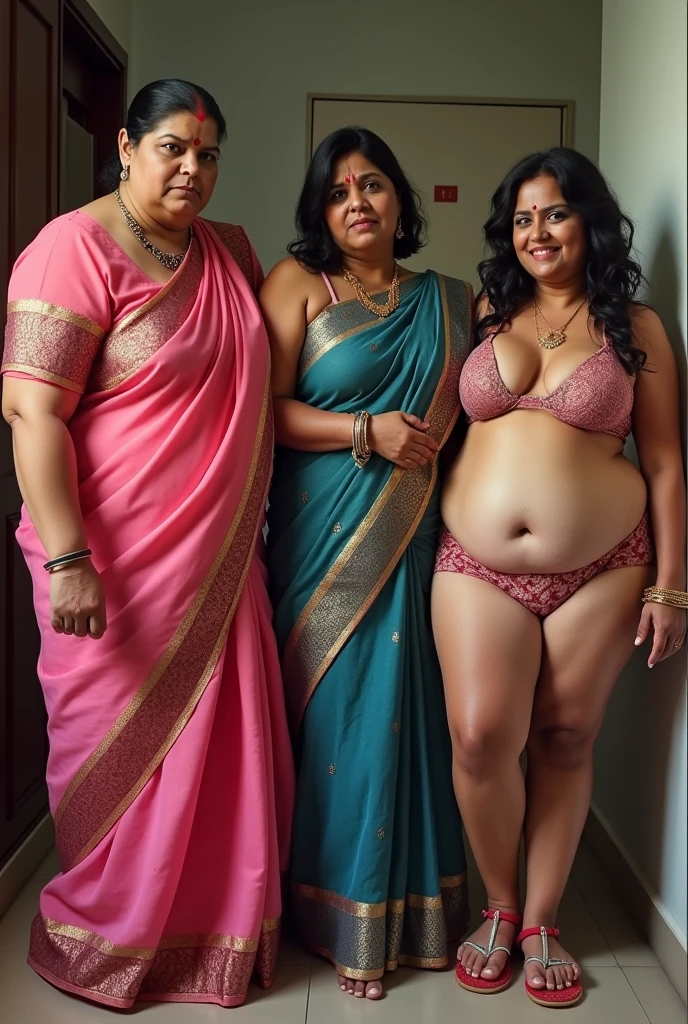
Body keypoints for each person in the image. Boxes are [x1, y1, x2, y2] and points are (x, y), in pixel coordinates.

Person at [1, 78, 294, 1009]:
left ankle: (210, 940)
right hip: (112, 564)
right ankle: (108, 938)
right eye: (172, 147)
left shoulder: (231, 253)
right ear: (125, 146)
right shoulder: (71, 248)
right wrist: (68, 558)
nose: (192, 170)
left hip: (218, 558)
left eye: (208, 154)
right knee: (117, 754)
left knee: (224, 754)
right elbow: (31, 412)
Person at [432, 147, 686, 1008]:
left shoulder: (636, 328)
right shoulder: (480, 311)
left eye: (558, 213)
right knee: (478, 737)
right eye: (524, 217)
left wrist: (672, 585)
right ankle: (498, 903)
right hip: (474, 562)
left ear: (590, 223)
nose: (539, 232)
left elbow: (664, 466)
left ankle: (540, 919)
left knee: (567, 737)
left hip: (607, 567)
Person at [259, 126, 472, 1000]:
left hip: (416, 536)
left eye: (374, 184)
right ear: (320, 208)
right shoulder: (297, 286)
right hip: (322, 535)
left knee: (412, 710)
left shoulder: (453, 301)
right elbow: (263, 411)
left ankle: (417, 912)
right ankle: (335, 911)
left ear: (400, 199)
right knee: (341, 722)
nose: (358, 202)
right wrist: (365, 430)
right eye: (339, 190)